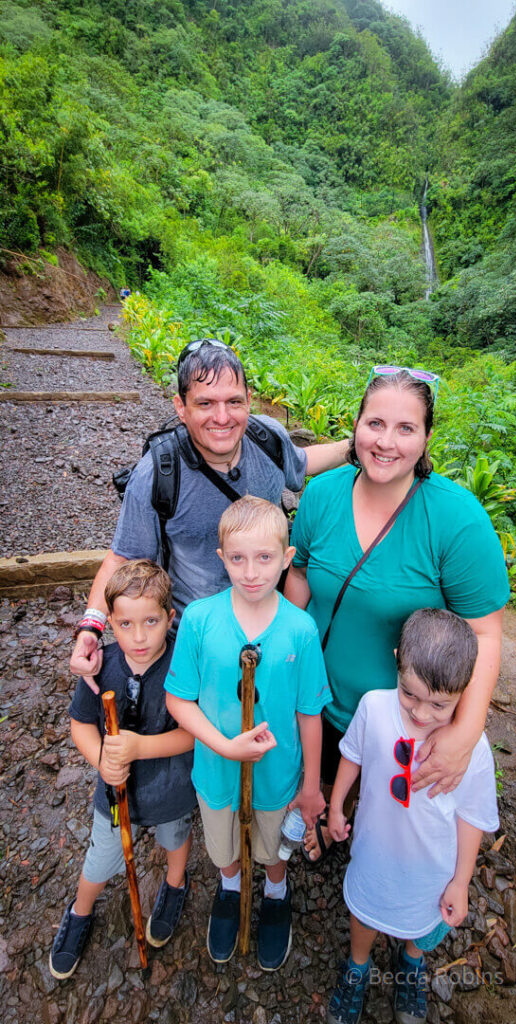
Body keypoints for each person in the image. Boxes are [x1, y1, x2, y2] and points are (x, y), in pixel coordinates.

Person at [284, 365, 509, 861]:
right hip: (317, 698)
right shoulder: (322, 495)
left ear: (427, 438)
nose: (386, 442)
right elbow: (299, 577)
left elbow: (485, 634)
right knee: (322, 781)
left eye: (406, 428)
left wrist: (464, 734)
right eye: (375, 423)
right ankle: (325, 816)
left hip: (404, 714)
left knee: (385, 813)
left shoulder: (456, 518)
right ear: (356, 426)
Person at [70, 338, 349, 681]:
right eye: (205, 403)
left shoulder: (267, 439)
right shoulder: (157, 473)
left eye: (233, 402)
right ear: (181, 407)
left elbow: (302, 462)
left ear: (249, 400)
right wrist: (91, 627)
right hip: (194, 639)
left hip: (267, 624)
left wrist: (357, 445)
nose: (222, 418)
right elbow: (123, 557)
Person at [164, 496, 330, 970]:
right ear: (222, 559)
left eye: (264, 558)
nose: (251, 572)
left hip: (278, 778)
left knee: (273, 845)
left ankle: (275, 891)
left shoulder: (300, 629)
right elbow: (179, 699)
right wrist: (222, 745)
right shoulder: (199, 620)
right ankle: (231, 886)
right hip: (216, 771)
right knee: (223, 843)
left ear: (287, 559)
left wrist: (311, 785)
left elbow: (309, 712)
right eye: (238, 558)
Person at [326, 608, 499, 1024]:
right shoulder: (374, 707)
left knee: (424, 918)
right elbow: (351, 755)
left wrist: (460, 881)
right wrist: (335, 806)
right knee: (365, 910)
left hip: (431, 866)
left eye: (440, 704)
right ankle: (358, 966)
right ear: (398, 659)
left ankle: (411, 963)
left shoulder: (472, 749)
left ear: (465, 689)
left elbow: (471, 817)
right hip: (373, 851)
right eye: (410, 694)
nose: (421, 713)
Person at [49, 560, 196, 980]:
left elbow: (192, 734)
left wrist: (138, 746)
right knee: (100, 857)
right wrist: (103, 762)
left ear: (170, 619)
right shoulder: (101, 665)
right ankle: (80, 911)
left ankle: (174, 884)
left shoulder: (181, 665)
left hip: (171, 787)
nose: (138, 636)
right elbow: (80, 724)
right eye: (125, 623)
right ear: (109, 621)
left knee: (176, 837)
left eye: (150, 622)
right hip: (115, 795)